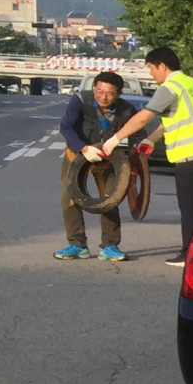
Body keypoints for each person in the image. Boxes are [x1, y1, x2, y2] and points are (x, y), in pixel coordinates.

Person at [100, 47, 193, 266]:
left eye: (151, 68)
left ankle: (190, 254)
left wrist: (114, 139)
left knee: (189, 207)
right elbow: (174, 121)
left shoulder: (169, 88)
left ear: (162, 66)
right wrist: (150, 140)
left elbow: (143, 118)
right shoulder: (190, 83)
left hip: (190, 155)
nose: (151, 73)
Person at [56, 74, 140, 261]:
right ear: (94, 88)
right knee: (70, 198)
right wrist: (83, 148)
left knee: (110, 199)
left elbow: (138, 134)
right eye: (99, 91)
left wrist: (133, 159)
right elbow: (66, 127)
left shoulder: (127, 110)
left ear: (118, 94)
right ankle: (77, 244)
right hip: (77, 155)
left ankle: (110, 245)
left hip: (108, 160)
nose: (103, 97)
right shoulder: (80, 100)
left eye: (110, 94)